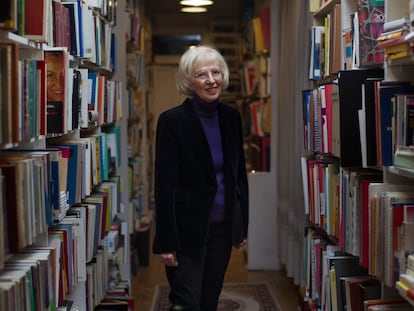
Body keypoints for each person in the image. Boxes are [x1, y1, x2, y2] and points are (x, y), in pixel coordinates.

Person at [152, 45, 249, 311]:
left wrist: (241, 224)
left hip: (222, 228)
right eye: (201, 74)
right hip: (185, 232)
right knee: (186, 301)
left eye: (216, 72)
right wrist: (166, 241)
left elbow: (238, 176)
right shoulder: (172, 121)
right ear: (188, 81)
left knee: (208, 300)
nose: (211, 80)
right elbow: (164, 185)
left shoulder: (231, 118)